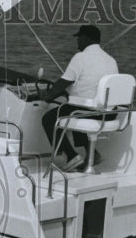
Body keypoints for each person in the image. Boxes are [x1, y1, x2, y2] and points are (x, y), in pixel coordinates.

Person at [35, 24, 118, 172]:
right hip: (110, 113)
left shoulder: (80, 57)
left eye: (79, 37)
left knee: (49, 119)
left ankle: (71, 156)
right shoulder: (111, 60)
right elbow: (89, 86)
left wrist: (47, 96)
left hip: (91, 112)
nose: (77, 40)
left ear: (86, 39)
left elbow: (64, 82)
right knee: (73, 109)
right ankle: (93, 154)